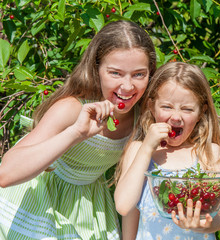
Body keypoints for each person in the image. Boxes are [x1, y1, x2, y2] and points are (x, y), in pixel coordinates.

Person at [0, 20, 156, 239]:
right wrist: (76, 133)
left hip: (89, 207)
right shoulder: (72, 109)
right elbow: (6, 174)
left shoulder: (143, 118)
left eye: (139, 74)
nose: (128, 86)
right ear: (97, 69)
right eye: (115, 73)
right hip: (41, 199)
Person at [114, 61, 220, 240]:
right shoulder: (139, 150)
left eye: (187, 109)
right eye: (167, 107)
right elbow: (124, 206)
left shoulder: (209, 153)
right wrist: (148, 147)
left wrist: (205, 225)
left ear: (202, 112)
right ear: (151, 106)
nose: (176, 117)